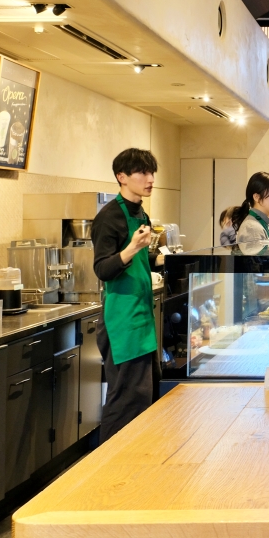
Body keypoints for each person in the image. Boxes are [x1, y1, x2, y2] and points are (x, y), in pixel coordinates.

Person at [92, 148, 161, 442]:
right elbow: (102, 268)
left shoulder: (141, 212)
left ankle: (137, 465)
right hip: (121, 321)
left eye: (152, 173)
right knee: (124, 401)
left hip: (141, 317)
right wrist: (132, 247)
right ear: (122, 177)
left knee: (145, 398)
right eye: (142, 173)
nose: (150, 179)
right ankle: (107, 470)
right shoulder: (108, 217)